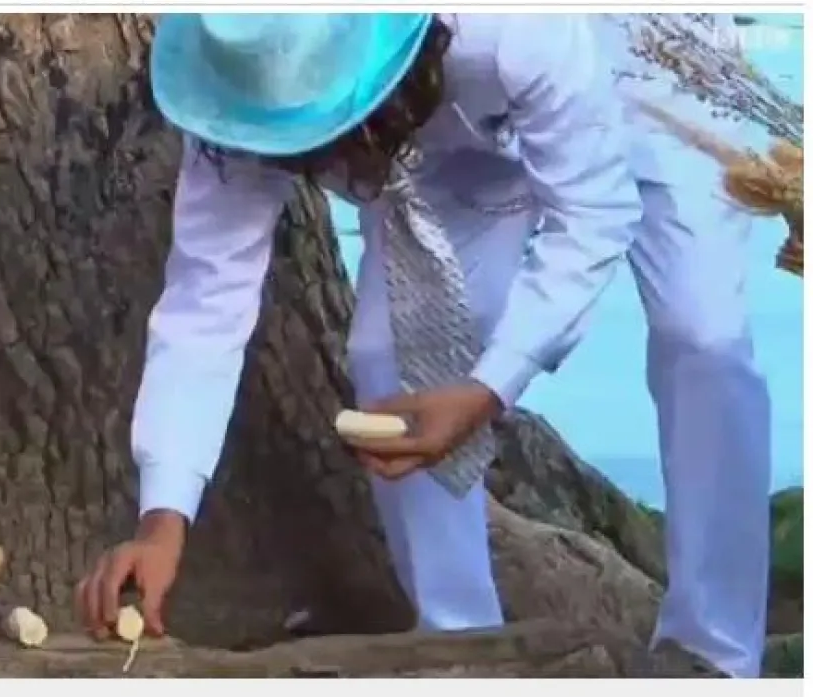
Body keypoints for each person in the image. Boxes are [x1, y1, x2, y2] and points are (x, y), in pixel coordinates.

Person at [76, 13, 771, 678]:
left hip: (646, 75)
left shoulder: (516, 31)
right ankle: (462, 647)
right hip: (442, 137)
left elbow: (594, 214)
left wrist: (489, 387)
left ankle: (715, 649)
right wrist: (163, 518)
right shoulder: (241, 80)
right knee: (386, 357)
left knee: (702, 334)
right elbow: (205, 303)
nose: (329, 171)